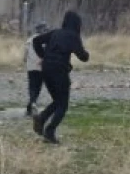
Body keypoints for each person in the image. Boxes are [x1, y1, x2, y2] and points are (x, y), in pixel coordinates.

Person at [32, 11, 90, 145]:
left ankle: (41, 118)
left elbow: (36, 41)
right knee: (63, 105)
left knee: (58, 101)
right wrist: (86, 53)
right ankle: (49, 132)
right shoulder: (73, 36)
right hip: (59, 71)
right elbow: (83, 57)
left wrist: (44, 56)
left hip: (46, 69)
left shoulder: (55, 33)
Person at [24, 22, 50, 117]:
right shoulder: (45, 40)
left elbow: (25, 54)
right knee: (38, 86)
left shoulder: (29, 40)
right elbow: (47, 52)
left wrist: (25, 60)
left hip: (30, 67)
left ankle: (30, 105)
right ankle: (33, 102)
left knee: (31, 86)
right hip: (41, 67)